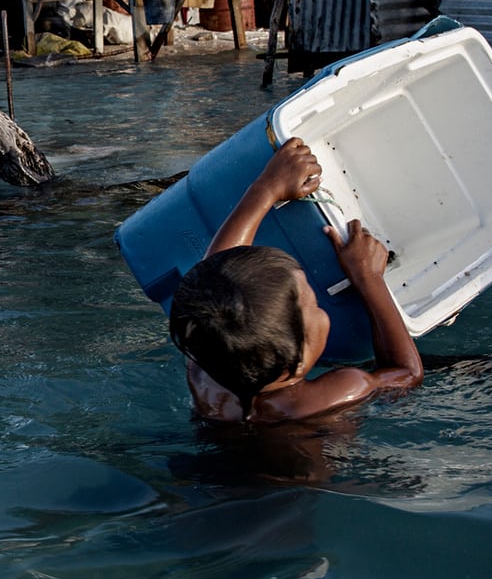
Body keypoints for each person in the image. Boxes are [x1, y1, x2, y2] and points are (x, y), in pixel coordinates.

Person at [169, 137, 424, 424]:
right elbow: (407, 373)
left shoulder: (206, 365)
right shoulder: (335, 393)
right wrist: (369, 277)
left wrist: (267, 188)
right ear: (300, 359)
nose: (318, 305)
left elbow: (217, 278)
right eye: (314, 304)